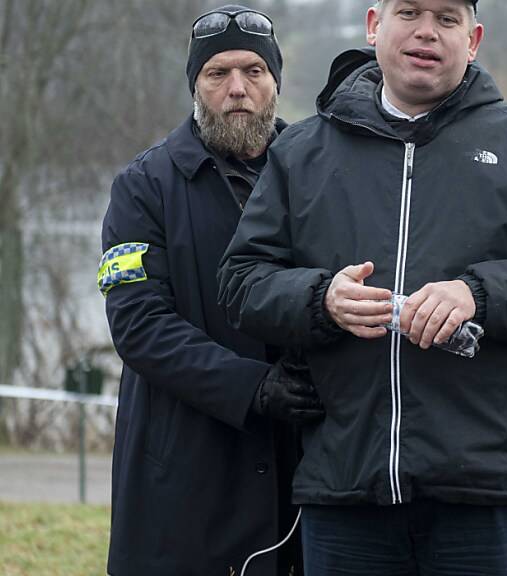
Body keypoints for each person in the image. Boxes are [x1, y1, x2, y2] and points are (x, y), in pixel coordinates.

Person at [217, 0, 507, 574]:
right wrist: (321, 299)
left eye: (447, 18)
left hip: (495, 497)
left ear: (474, 37)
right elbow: (241, 284)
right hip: (345, 492)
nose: (427, 32)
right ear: (373, 25)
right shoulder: (301, 152)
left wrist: (479, 294)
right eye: (409, 11)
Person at [97, 6, 322, 574]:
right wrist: (252, 388)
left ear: (276, 82)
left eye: (253, 71)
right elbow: (140, 327)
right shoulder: (142, 187)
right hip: (182, 485)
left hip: (303, 477)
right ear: (195, 85)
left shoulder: (320, 172)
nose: (237, 89)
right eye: (217, 74)